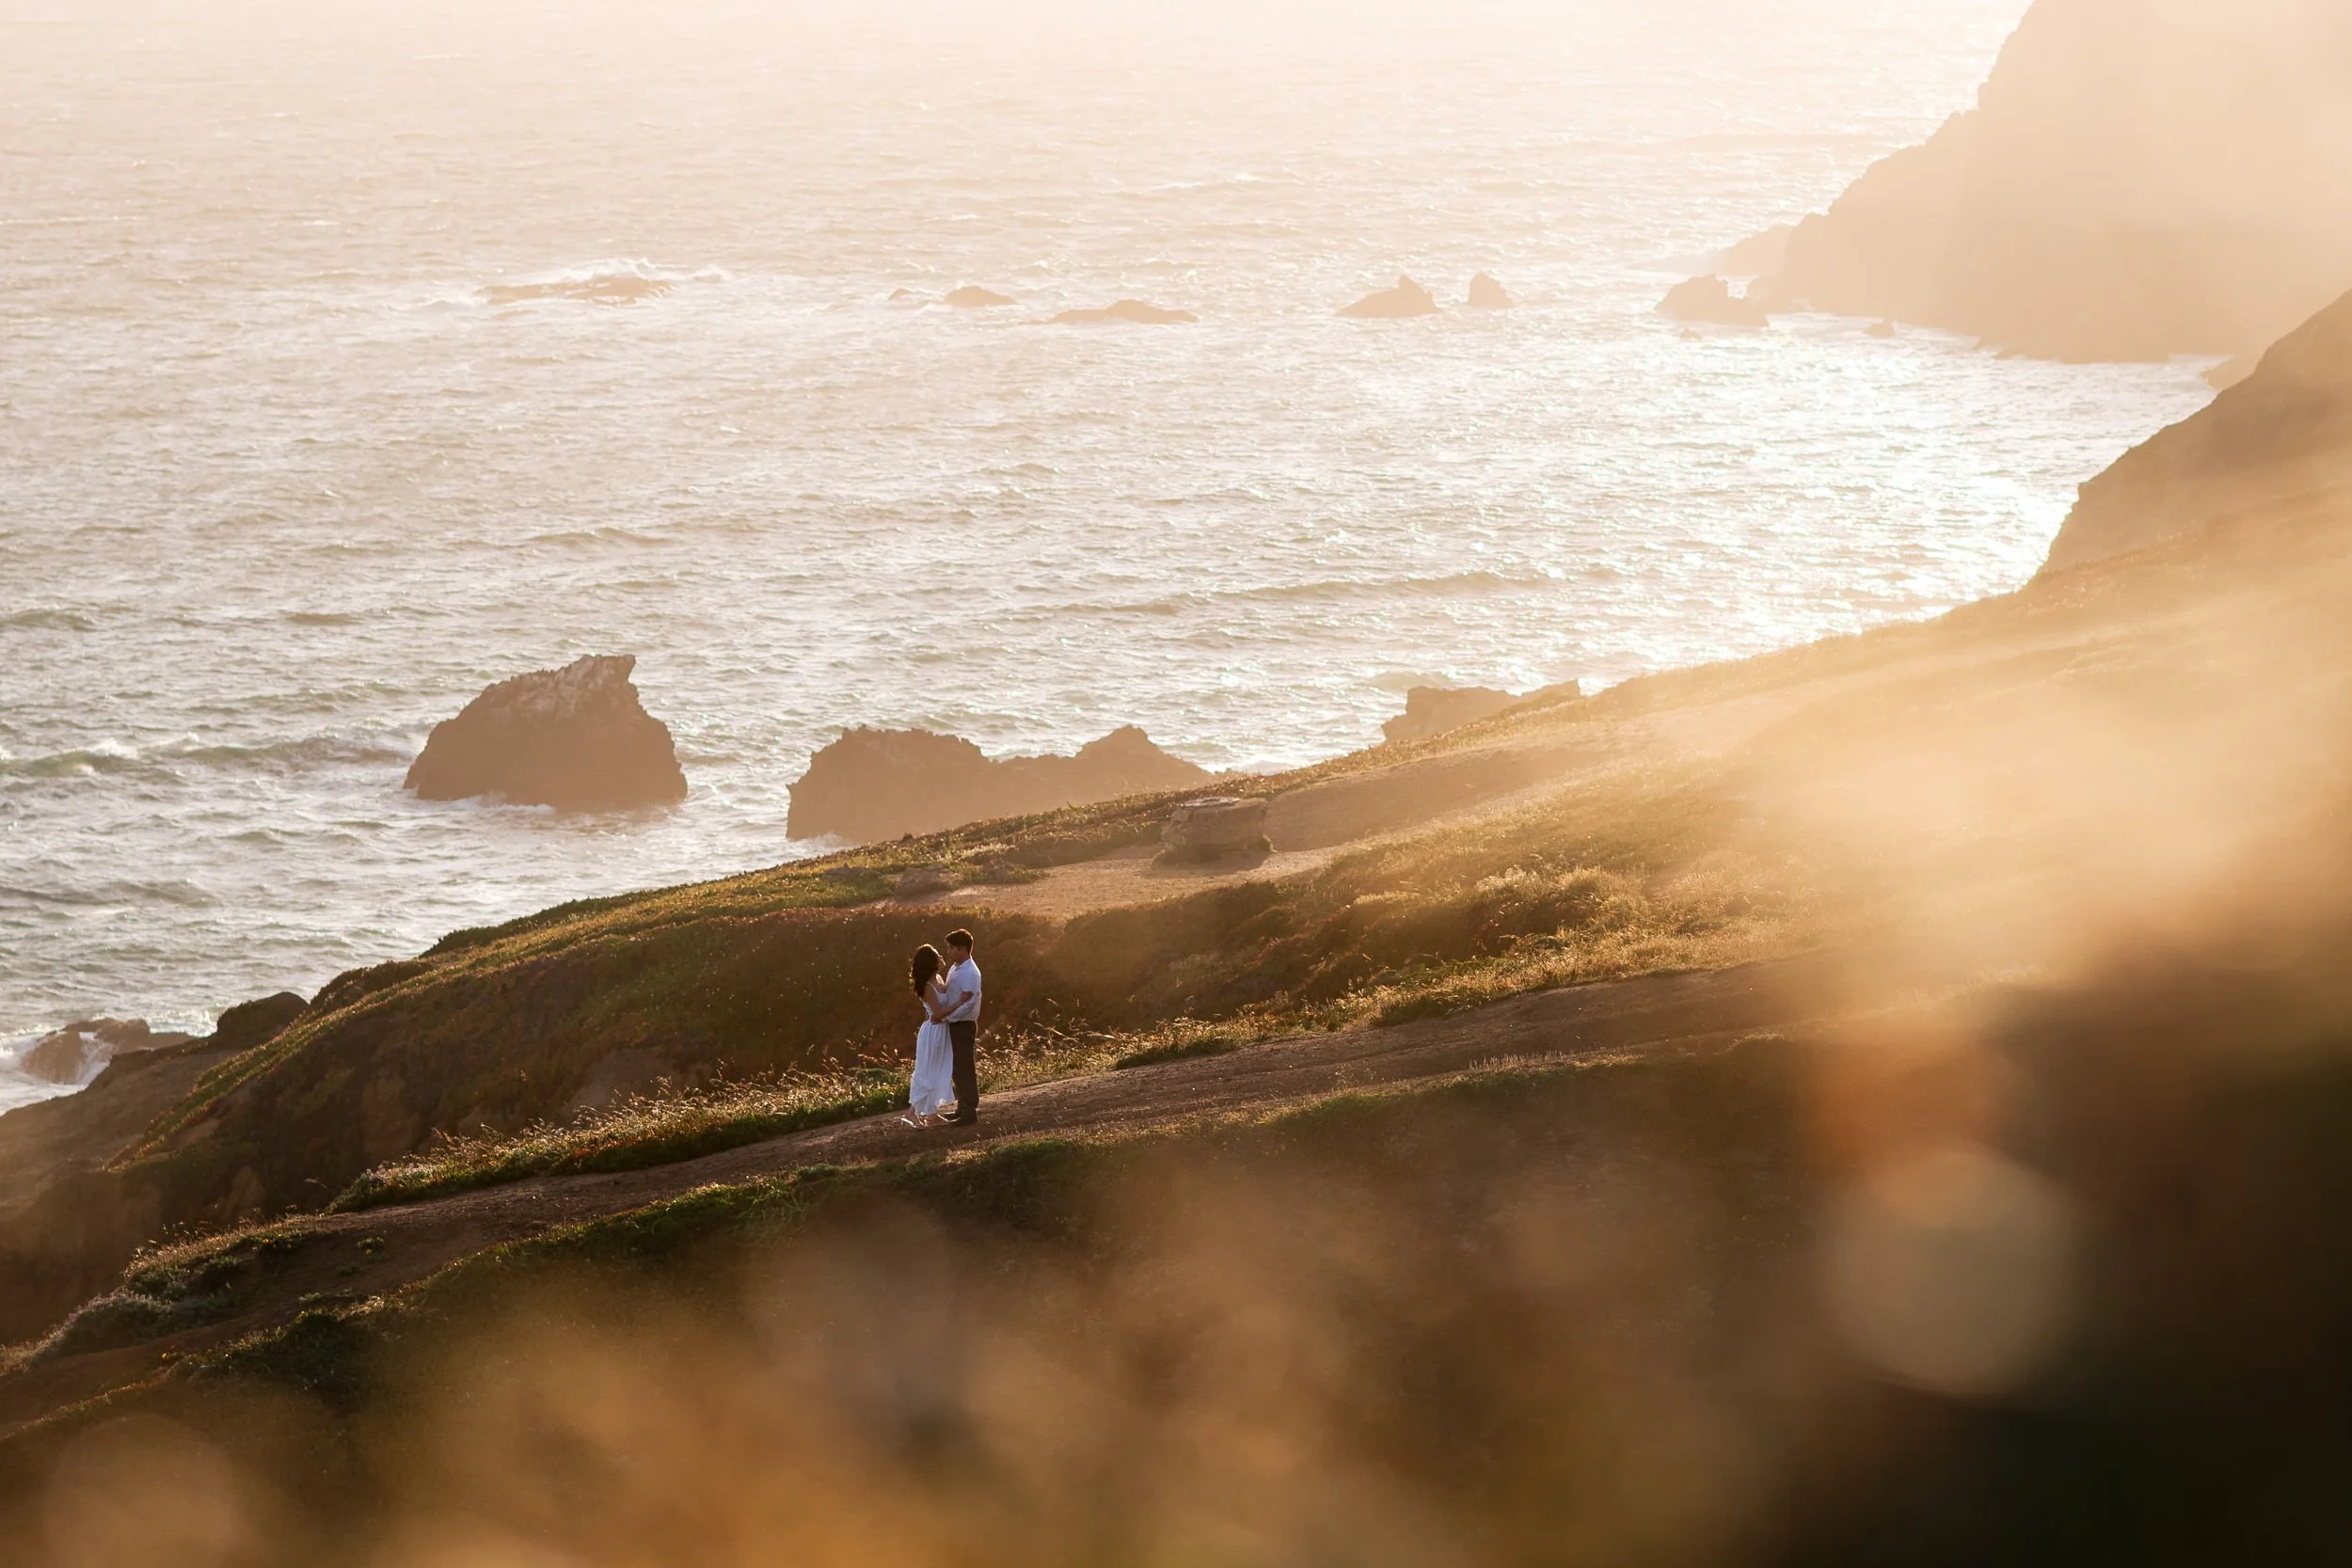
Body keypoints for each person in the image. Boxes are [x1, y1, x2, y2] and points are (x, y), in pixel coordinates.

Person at [904, 944, 956, 1126]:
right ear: (931, 962)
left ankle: (932, 1114)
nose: (941, 958)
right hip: (933, 1032)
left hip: (941, 1031)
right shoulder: (927, 986)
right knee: (927, 1071)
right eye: (937, 956)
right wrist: (961, 1002)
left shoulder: (939, 978)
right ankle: (912, 1112)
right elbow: (938, 1013)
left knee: (939, 1070)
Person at [936, 928, 982, 1125]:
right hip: (955, 1023)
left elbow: (968, 1003)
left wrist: (950, 1018)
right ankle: (962, 1107)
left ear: (963, 949)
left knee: (965, 1066)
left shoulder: (970, 972)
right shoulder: (956, 967)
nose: (949, 952)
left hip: (963, 1024)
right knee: (956, 1067)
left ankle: (970, 1110)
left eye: (953, 948)